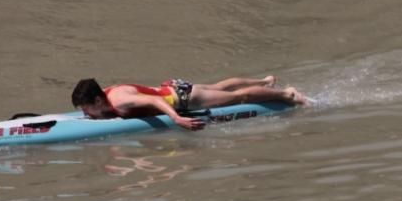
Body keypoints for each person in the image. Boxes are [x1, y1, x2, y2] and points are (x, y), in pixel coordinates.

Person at [71, 75, 307, 130]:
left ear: (98, 99)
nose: (85, 113)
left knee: (238, 97)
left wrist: (176, 118)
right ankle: (264, 80)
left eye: (86, 107)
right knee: (219, 87)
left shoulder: (120, 99)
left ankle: (286, 94)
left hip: (186, 99)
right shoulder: (107, 93)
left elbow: (152, 100)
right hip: (176, 87)